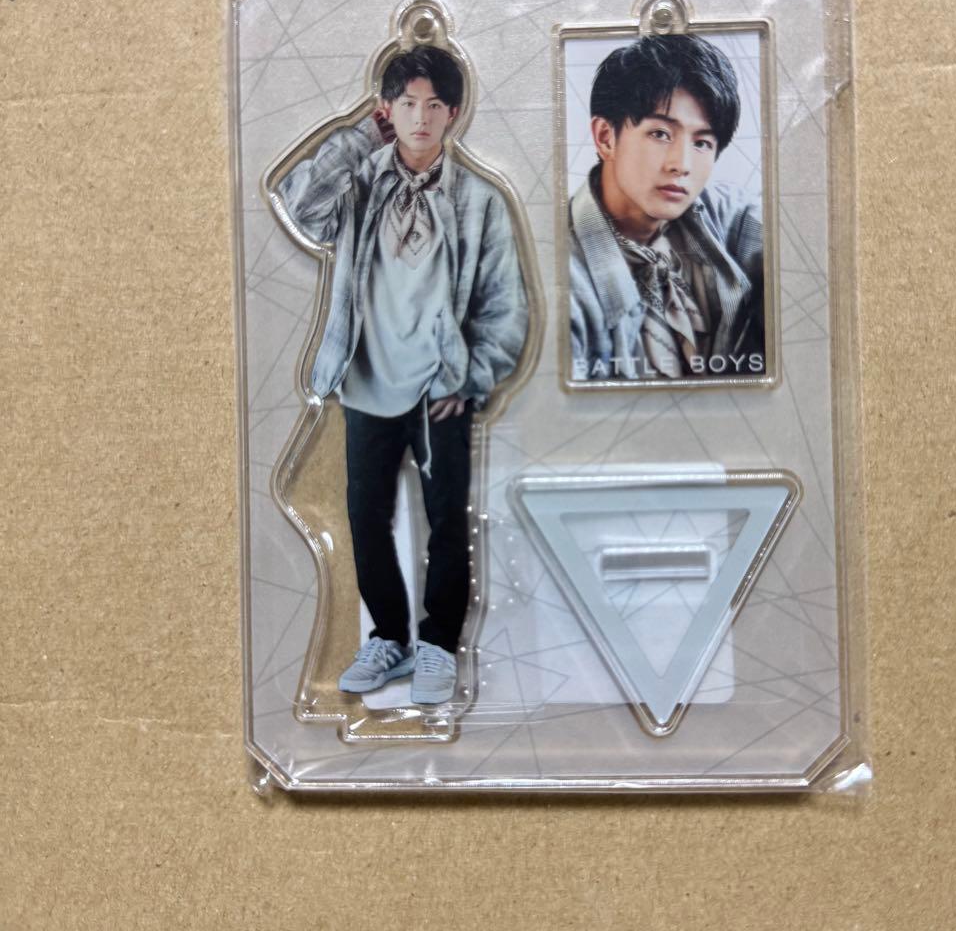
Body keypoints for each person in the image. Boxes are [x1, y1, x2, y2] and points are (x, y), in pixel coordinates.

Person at [273, 45, 528, 704]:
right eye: (407, 103)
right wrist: (360, 136)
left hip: (441, 390)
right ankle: (388, 637)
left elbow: (506, 307)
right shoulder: (358, 185)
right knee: (365, 516)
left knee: (449, 519)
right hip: (366, 380)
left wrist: (473, 378)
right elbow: (297, 204)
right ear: (388, 108)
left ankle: (439, 645)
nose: (420, 117)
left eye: (434, 105)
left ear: (454, 113)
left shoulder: (480, 201)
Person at [568, 34, 765, 382]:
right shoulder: (560, 273)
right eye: (660, 134)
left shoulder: (732, 219)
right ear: (606, 137)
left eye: (702, 142)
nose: (681, 164)